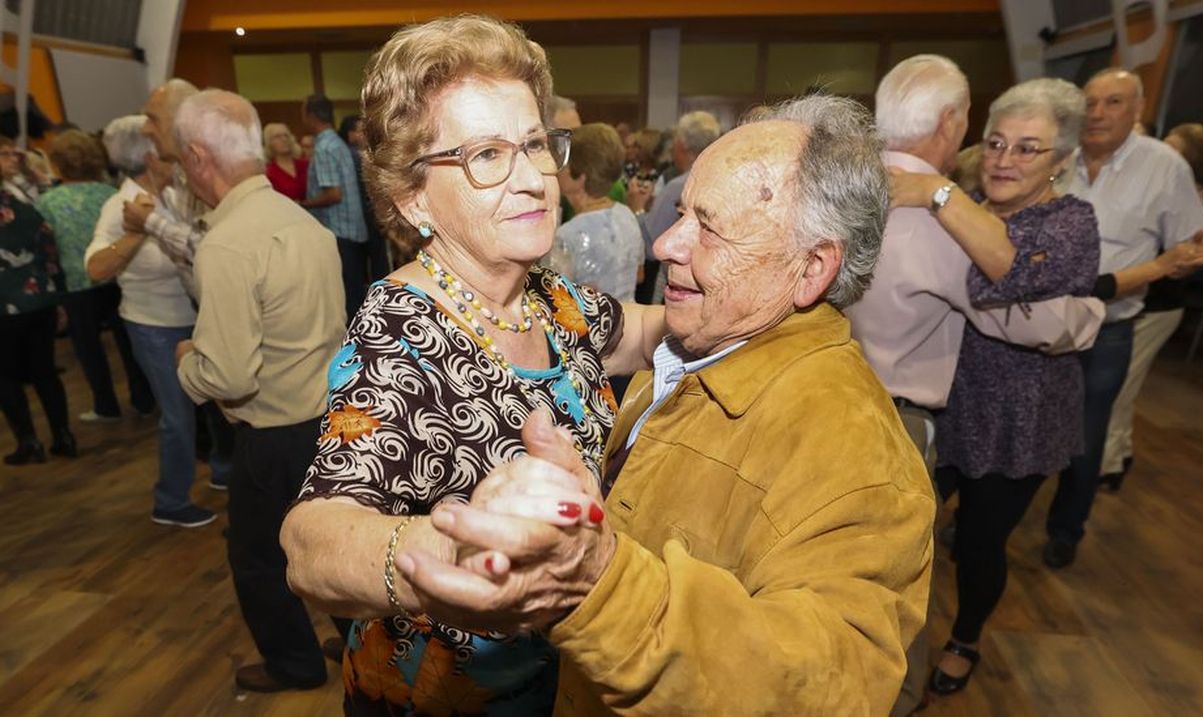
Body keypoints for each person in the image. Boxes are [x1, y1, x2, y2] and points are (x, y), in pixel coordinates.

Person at [390, 93, 935, 716]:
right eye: (681, 213)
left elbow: (822, 687)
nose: (669, 244)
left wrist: (599, 585)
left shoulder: (858, 456)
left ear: (810, 270)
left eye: (712, 227)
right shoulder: (697, 346)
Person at [280, 15, 665, 715]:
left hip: (561, 677)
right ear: (412, 197)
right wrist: (460, 559)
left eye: (534, 144)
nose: (535, 179)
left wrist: (722, 299)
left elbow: (636, 331)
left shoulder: (547, 296)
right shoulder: (402, 330)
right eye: (488, 155)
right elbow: (310, 541)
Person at [853, 54, 1105, 716]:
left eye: (1028, 148)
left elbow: (1026, 301)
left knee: (981, 539)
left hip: (1018, 410)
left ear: (1062, 159)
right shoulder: (959, 206)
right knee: (923, 535)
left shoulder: (1067, 220)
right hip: (953, 400)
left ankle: (963, 638)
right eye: (995, 142)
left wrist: (1089, 314)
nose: (1003, 158)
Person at [171, 89, 346, 692]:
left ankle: (294, 664)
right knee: (336, 547)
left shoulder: (227, 242)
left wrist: (186, 361)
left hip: (272, 435)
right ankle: (365, 651)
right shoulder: (302, 221)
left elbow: (229, 376)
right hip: (332, 423)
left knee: (257, 561)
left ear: (197, 157)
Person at [1043, 68, 1203, 568]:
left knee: (1085, 435)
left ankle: (1065, 531)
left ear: (1137, 110)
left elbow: (1197, 242)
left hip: (1108, 327)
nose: (1097, 114)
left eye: (1112, 102)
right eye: (1091, 103)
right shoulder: (1058, 156)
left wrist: (1172, 263)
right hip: (1044, 318)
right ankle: (983, 519)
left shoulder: (1164, 166)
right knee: (1020, 420)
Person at [85, 114, 220, 528]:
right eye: (163, 149)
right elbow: (95, 268)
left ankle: (223, 468)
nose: (173, 154)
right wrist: (138, 230)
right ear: (147, 156)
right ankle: (170, 500)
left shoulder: (177, 195)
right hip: (152, 325)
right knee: (178, 415)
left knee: (212, 399)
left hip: (193, 316)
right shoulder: (120, 204)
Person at [1098, 121, 1203, 490]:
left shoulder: (1187, 195)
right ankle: (1115, 453)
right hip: (1134, 300)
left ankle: (1110, 463)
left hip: (1156, 305)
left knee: (1121, 388)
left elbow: (1194, 257)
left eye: (1171, 148)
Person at [35, 129, 154, 424]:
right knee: (126, 344)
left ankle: (106, 405)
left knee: (89, 348)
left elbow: (47, 249)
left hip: (76, 285)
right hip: (114, 277)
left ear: (58, 162)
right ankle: (143, 399)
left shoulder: (48, 202)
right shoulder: (111, 194)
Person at [0, 190, 74, 464]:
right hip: (40, 300)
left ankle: (28, 441)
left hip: (4, 308)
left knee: (6, 378)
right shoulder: (24, 208)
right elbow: (50, 252)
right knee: (45, 371)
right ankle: (63, 436)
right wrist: (60, 297)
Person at [550, 122, 644, 302]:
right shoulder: (626, 215)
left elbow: (557, 300)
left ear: (580, 178)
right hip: (630, 319)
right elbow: (639, 275)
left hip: (592, 326)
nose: (558, 169)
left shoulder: (568, 235)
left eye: (565, 164)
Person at [639, 110, 721, 303]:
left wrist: (638, 210)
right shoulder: (719, 179)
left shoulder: (678, 186)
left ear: (681, 145)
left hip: (677, 284)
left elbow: (652, 247)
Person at [300, 94, 369, 321]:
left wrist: (303, 204)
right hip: (354, 229)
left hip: (339, 231)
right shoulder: (337, 143)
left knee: (348, 299)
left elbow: (333, 194)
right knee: (356, 292)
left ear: (310, 116)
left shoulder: (323, 148)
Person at [338, 113, 391, 276]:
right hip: (368, 213)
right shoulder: (355, 155)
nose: (365, 135)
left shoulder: (352, 153)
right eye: (361, 131)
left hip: (364, 214)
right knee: (377, 257)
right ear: (350, 134)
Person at [263, 122, 309, 202]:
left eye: (286, 135)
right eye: (277, 137)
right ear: (269, 143)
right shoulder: (268, 173)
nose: (284, 139)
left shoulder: (306, 165)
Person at [0, 135, 47, 204]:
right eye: (5, 154)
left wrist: (42, 182)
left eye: (15, 154)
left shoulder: (18, 179)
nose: (15, 159)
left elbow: (41, 204)